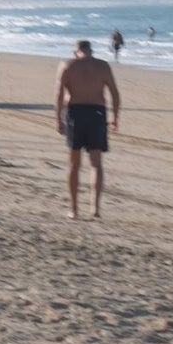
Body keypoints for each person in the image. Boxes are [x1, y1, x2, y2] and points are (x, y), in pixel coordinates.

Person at [55, 40, 121, 220]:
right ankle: (95, 208)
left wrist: (58, 119)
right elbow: (114, 93)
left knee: (74, 164)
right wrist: (115, 117)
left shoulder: (67, 65)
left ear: (76, 51)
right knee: (96, 164)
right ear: (90, 50)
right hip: (96, 113)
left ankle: (74, 209)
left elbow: (59, 93)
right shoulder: (102, 66)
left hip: (75, 113)